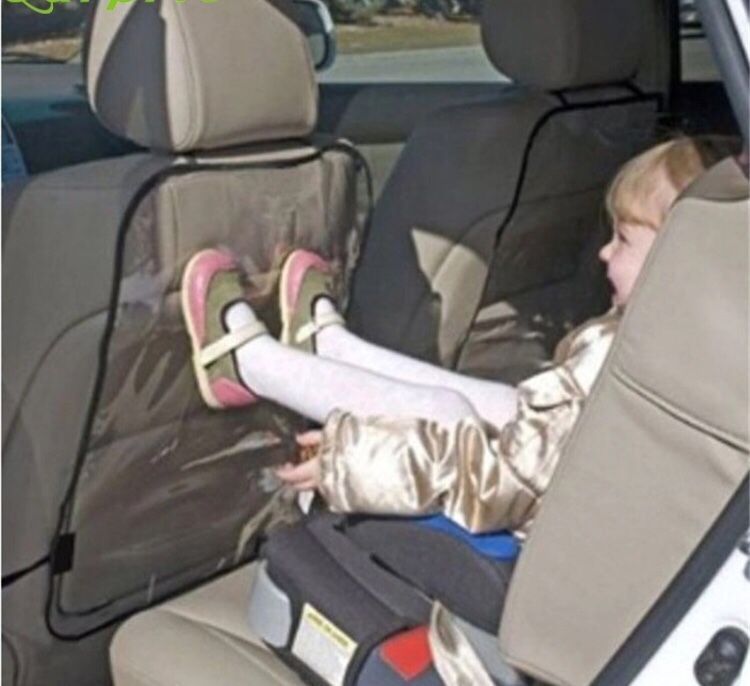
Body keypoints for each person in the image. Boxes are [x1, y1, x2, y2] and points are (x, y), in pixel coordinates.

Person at [180, 137, 726, 537]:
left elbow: (502, 483)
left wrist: (349, 459)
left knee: (449, 416)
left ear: (678, 259)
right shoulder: (693, 353)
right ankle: (331, 350)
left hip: (514, 564)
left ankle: (249, 363)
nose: (604, 252)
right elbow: (546, 446)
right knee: (503, 407)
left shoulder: (621, 355)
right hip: (566, 516)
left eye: (623, 239)